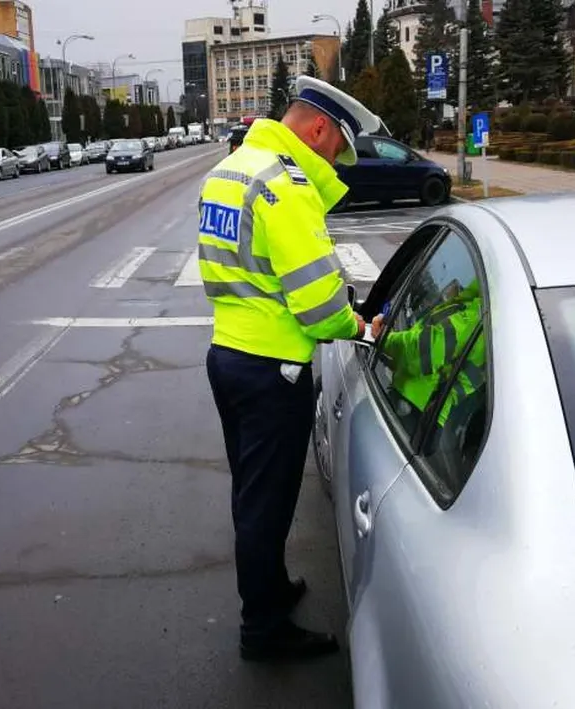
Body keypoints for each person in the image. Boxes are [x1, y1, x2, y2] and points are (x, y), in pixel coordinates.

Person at [199, 76, 380, 663]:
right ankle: (264, 629)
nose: (333, 160)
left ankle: (271, 588)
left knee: (253, 494)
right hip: (273, 368)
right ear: (321, 129)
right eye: (337, 148)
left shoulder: (233, 169)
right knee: (267, 503)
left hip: (227, 355)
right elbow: (318, 304)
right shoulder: (288, 183)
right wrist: (360, 326)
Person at [371, 279, 485, 427]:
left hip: (413, 407)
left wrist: (384, 337)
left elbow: (419, 353)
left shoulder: (476, 318)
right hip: (429, 412)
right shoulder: (489, 318)